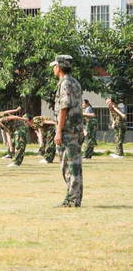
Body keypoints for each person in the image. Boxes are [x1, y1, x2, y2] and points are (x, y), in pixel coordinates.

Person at [51, 55, 83, 208]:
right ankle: (75, 198)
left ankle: (71, 200)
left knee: (69, 166)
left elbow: (64, 108)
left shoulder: (65, 83)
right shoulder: (75, 82)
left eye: (54, 66)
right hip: (76, 129)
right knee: (75, 165)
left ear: (59, 67)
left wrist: (58, 131)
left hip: (68, 131)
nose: (53, 69)